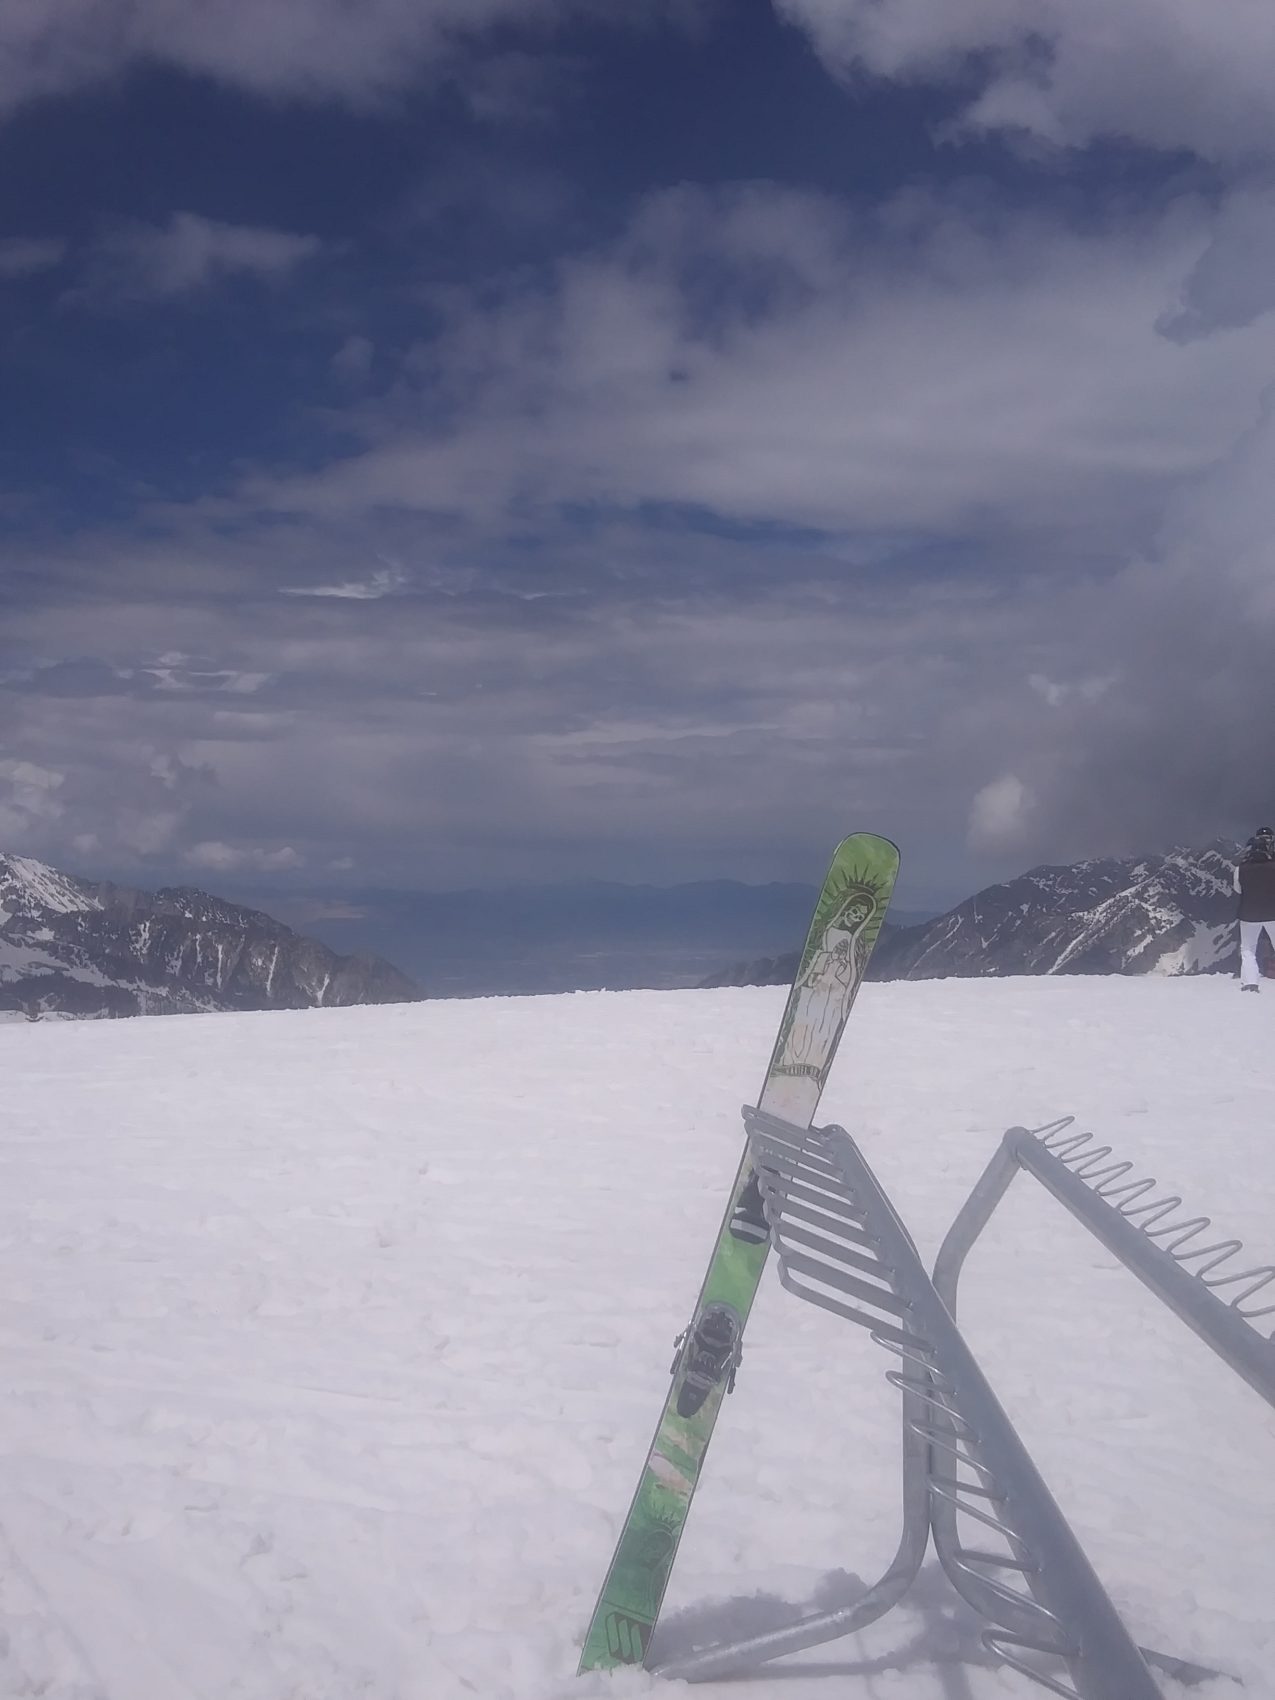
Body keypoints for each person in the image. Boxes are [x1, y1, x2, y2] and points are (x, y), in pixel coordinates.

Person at [1235, 827, 1275, 991]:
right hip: (1273, 912)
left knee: (1248, 949)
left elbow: (1238, 889)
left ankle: (1251, 983)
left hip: (1248, 914)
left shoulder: (1241, 868)